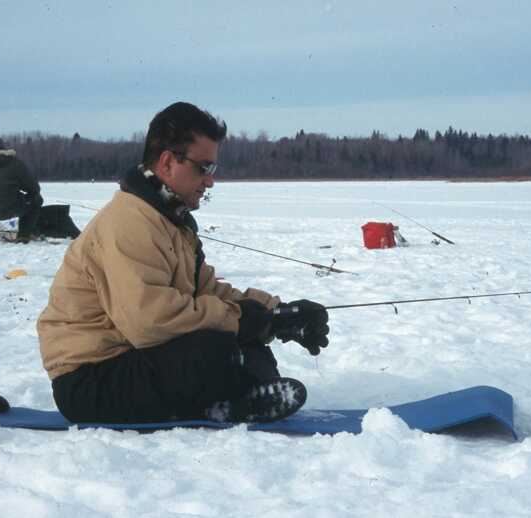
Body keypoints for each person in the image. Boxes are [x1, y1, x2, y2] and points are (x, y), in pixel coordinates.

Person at [37, 102, 330, 424]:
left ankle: (244, 395)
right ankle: (231, 399)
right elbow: (149, 320)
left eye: (212, 170)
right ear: (167, 161)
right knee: (213, 346)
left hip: (132, 360)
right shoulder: (129, 224)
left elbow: (207, 291)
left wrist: (277, 313)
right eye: (204, 168)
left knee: (239, 336)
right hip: (91, 380)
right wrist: (240, 318)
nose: (210, 182)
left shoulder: (167, 221)